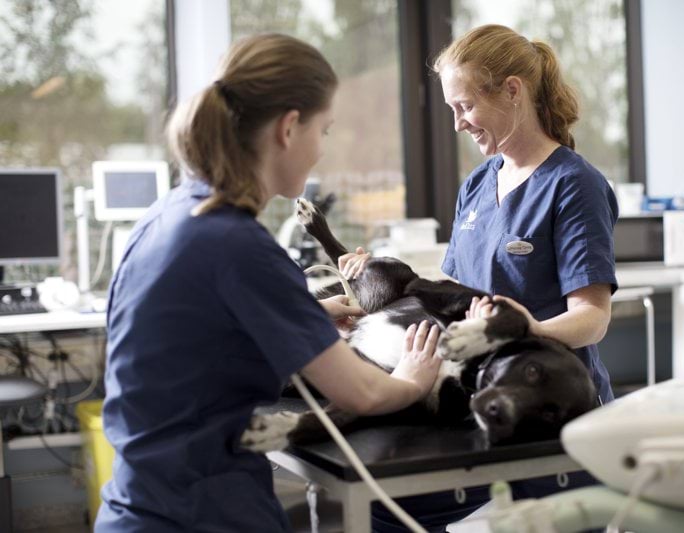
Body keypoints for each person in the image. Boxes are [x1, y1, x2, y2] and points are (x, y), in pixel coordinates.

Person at [94, 33, 441, 532]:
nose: (322, 150)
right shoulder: (238, 244)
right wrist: (410, 380)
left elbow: (201, 329)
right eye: (324, 131)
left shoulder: (170, 212)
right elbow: (362, 393)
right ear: (289, 127)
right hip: (200, 513)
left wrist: (310, 316)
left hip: (142, 502)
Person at [357, 24, 619, 532]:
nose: (458, 124)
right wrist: (365, 304)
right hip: (477, 400)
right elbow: (452, 291)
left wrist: (529, 329)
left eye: (466, 107)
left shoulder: (574, 185)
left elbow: (593, 318)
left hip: (553, 413)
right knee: (378, 512)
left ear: (513, 91)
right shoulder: (478, 183)